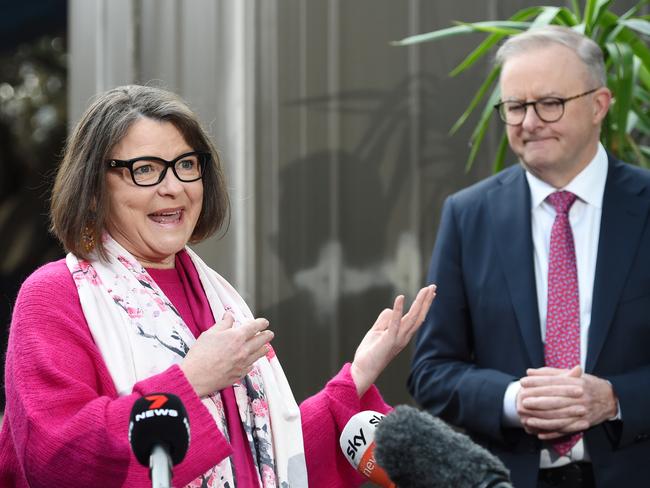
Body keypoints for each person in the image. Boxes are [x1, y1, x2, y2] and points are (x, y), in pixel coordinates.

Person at [0, 84, 436, 487]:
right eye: (145, 169)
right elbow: (54, 455)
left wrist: (356, 377)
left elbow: (261, 460)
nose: (173, 187)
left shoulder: (219, 298)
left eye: (186, 165)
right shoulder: (56, 294)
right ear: (94, 189)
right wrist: (188, 382)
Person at [408, 25, 650, 488]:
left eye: (550, 104)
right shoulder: (468, 215)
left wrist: (616, 399)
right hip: (510, 477)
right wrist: (513, 399)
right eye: (515, 107)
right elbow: (431, 370)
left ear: (599, 105)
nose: (529, 122)